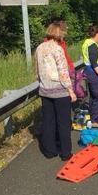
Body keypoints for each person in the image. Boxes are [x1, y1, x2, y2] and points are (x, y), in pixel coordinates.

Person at [34, 22, 76, 160]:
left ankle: (49, 151)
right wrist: (70, 90)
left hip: (45, 90)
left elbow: (37, 70)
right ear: (59, 34)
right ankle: (65, 153)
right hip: (60, 91)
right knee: (63, 122)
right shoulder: (57, 49)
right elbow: (63, 72)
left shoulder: (40, 48)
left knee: (48, 121)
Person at [82, 25, 98, 127]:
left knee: (93, 96)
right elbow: (93, 61)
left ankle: (96, 118)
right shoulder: (92, 45)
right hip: (94, 73)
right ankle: (94, 120)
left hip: (90, 72)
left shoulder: (87, 43)